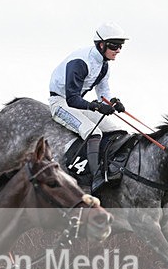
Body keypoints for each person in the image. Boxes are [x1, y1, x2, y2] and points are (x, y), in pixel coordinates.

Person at [49, 23, 129, 194]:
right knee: (93, 132)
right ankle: (95, 177)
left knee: (118, 130)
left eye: (120, 46)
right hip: (61, 103)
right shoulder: (80, 62)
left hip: (78, 102)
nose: (118, 50)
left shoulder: (104, 64)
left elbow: (103, 91)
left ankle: (111, 168)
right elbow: (72, 99)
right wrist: (97, 106)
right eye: (114, 45)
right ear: (102, 45)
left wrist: (111, 102)